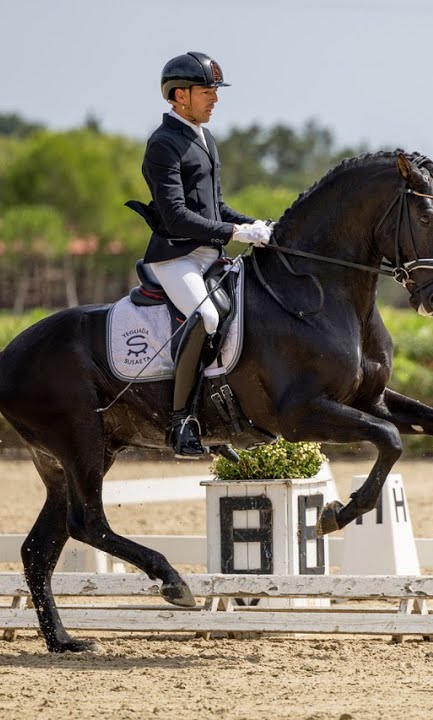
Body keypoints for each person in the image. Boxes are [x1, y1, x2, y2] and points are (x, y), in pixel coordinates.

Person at [136, 50, 272, 459]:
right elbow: (177, 217)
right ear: (179, 95)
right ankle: (180, 423)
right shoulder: (163, 144)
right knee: (207, 317)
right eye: (206, 91)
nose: (215, 98)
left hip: (208, 255)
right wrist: (235, 231)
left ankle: (223, 412)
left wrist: (259, 226)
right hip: (176, 258)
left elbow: (216, 208)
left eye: (215, 91)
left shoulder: (204, 138)